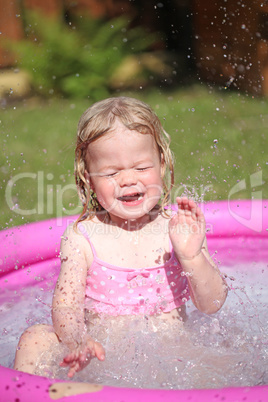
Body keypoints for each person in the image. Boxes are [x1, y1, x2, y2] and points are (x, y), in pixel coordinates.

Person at [14, 96, 228, 379]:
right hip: (102, 360)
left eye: (141, 168)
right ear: (89, 179)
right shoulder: (82, 238)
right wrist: (78, 341)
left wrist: (191, 256)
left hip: (174, 363)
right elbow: (65, 307)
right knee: (35, 338)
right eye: (112, 172)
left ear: (162, 165)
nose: (128, 179)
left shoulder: (177, 229)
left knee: (222, 360)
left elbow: (211, 304)